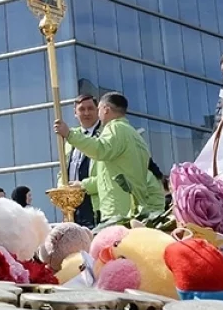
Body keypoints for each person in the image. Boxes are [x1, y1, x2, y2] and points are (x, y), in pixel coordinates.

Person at [54, 92, 166, 221]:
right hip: (125, 206)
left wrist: (69, 134)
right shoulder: (132, 134)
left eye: (97, 109)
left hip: (117, 207)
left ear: (106, 110)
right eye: (81, 109)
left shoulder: (115, 129)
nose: (93, 113)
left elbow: (99, 149)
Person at [65, 93, 103, 227]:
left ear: (98, 110)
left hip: (96, 206)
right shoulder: (70, 138)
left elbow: (109, 176)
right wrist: (62, 188)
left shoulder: (106, 134)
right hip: (74, 207)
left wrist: (83, 185)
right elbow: (63, 169)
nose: (86, 113)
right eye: (82, 109)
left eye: (90, 108)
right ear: (75, 113)